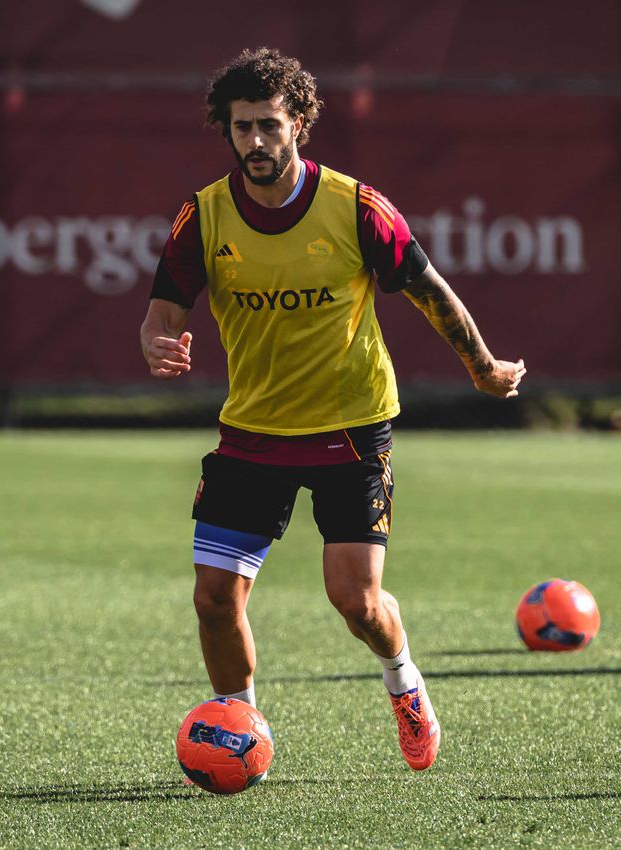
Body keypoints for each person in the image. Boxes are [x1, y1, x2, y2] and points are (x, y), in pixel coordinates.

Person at [139, 47, 525, 772]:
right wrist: (156, 342)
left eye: (269, 126)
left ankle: (404, 684)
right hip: (252, 430)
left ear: (300, 125)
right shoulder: (204, 215)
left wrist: (482, 367)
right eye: (240, 127)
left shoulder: (354, 207)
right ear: (224, 129)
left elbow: (429, 289)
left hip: (349, 425)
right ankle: (238, 729)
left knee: (356, 603)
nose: (255, 141)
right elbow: (162, 308)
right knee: (214, 599)